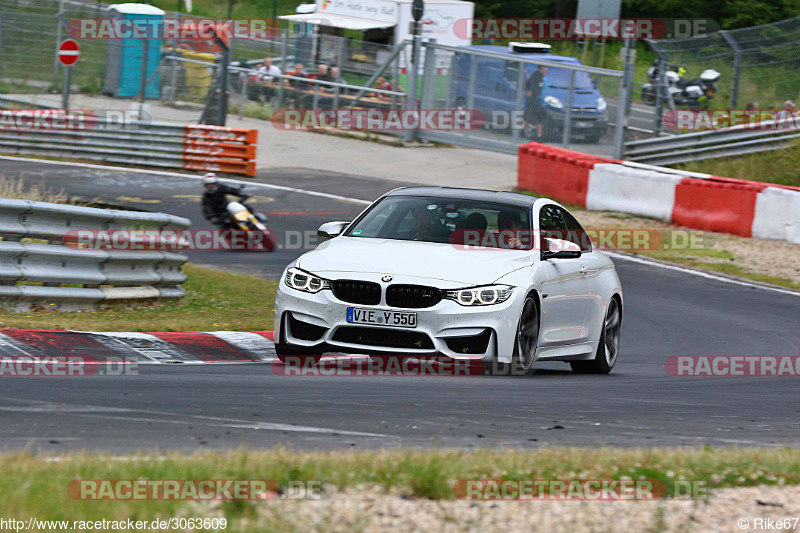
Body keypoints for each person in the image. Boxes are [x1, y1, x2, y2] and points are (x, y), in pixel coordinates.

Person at [524, 65, 548, 141]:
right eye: (544, 69)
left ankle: (539, 135)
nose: (546, 71)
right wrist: (530, 94)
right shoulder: (535, 77)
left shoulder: (544, 79)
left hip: (541, 102)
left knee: (540, 118)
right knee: (532, 116)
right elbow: (528, 85)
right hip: (535, 101)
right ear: (541, 69)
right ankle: (525, 130)